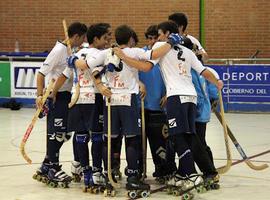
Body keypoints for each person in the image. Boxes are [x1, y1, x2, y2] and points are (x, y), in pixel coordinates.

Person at [112, 21, 223, 192]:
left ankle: (191, 175)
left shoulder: (162, 47)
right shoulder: (187, 51)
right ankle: (184, 172)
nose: (158, 37)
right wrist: (217, 81)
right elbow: (203, 70)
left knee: (178, 136)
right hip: (190, 97)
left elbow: (146, 67)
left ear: (167, 34)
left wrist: (124, 57)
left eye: (160, 34)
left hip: (175, 97)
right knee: (188, 135)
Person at [52, 23, 112, 190]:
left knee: (81, 137)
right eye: (105, 37)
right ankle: (96, 172)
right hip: (94, 98)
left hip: (77, 99)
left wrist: (53, 93)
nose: (107, 41)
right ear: (95, 39)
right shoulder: (100, 54)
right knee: (97, 137)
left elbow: (64, 76)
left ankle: (85, 173)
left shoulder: (77, 54)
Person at [33, 22, 87, 187]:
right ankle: (52, 167)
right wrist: (40, 96)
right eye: (83, 37)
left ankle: (47, 163)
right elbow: (41, 74)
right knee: (56, 132)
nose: (84, 40)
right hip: (56, 96)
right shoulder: (58, 50)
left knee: (64, 133)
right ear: (76, 36)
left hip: (66, 96)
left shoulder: (72, 50)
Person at [138, 24, 173, 183]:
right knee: (138, 143)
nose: (152, 41)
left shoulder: (165, 55)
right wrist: (139, 82)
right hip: (141, 106)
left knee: (159, 143)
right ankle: (138, 170)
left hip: (159, 106)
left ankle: (162, 169)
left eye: (155, 38)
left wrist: (168, 93)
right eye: (149, 38)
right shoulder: (141, 54)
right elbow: (131, 73)